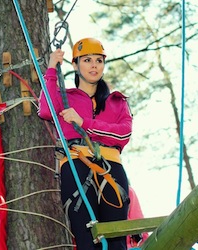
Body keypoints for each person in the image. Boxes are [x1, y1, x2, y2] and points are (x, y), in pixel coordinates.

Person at [38, 38, 133, 250]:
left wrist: (84, 123)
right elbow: (45, 110)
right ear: (75, 65)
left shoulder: (117, 101)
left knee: (116, 237)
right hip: (76, 163)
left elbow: (123, 134)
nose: (94, 65)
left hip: (110, 166)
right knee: (85, 234)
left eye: (99, 60)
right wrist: (52, 67)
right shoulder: (65, 98)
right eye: (87, 60)